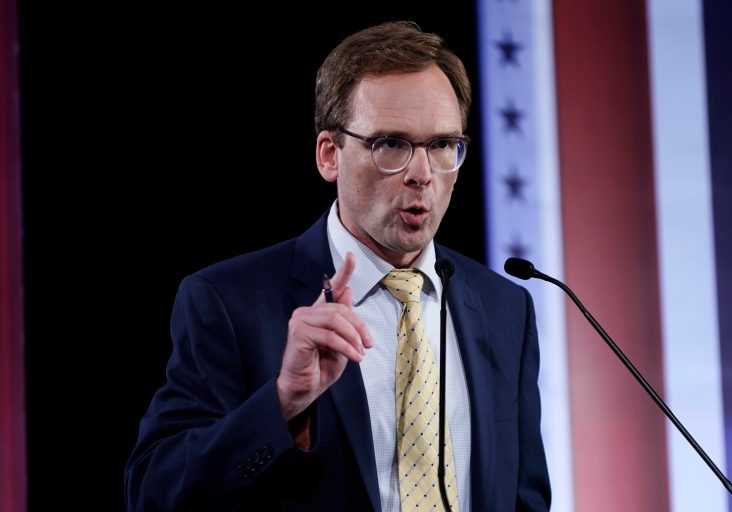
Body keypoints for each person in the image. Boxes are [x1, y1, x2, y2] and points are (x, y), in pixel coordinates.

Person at [125, 20, 551, 511]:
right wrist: (283, 401)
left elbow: (525, 499)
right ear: (330, 155)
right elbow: (153, 492)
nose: (422, 174)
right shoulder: (230, 302)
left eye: (441, 145)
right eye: (391, 144)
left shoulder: (505, 308)